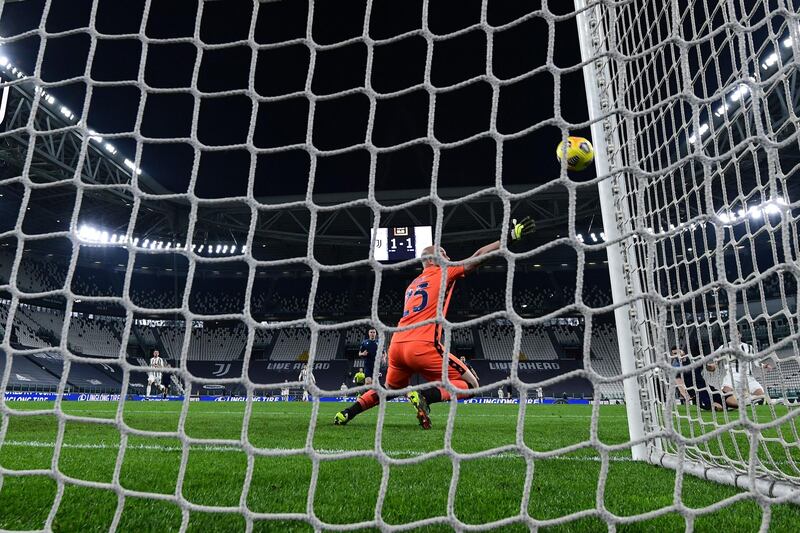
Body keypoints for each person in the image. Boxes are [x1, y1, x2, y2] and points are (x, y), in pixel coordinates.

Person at [334, 217, 535, 429]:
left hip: (397, 345)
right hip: (423, 344)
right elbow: (478, 257)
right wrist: (509, 239)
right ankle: (425, 396)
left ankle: (347, 412)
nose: (448, 257)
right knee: (470, 385)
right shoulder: (444, 271)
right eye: (443, 254)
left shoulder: (412, 284)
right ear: (431, 260)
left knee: (387, 389)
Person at [672, 346, 735, 411]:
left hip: (708, 388)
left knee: (735, 404)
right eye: (674, 354)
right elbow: (679, 384)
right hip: (697, 393)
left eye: (678, 352)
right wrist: (686, 396)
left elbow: (711, 368)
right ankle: (710, 405)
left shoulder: (693, 360)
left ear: (683, 352)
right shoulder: (676, 367)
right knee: (719, 407)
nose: (677, 355)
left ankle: (729, 404)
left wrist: (715, 363)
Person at [721, 341, 772, 406]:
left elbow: (755, 360)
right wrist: (713, 364)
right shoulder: (725, 346)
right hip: (733, 375)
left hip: (748, 377)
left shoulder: (749, 347)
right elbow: (716, 356)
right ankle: (740, 403)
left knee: (761, 396)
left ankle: (747, 401)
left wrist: (764, 365)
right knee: (725, 393)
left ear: (740, 334)